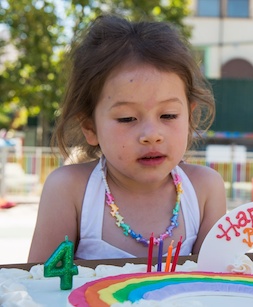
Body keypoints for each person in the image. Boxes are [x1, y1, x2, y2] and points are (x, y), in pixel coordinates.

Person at [28, 15, 227, 262]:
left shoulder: (205, 190)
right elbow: (35, 286)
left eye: (168, 115)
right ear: (90, 127)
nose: (151, 135)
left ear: (189, 117)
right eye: (126, 118)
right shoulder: (69, 190)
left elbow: (216, 284)